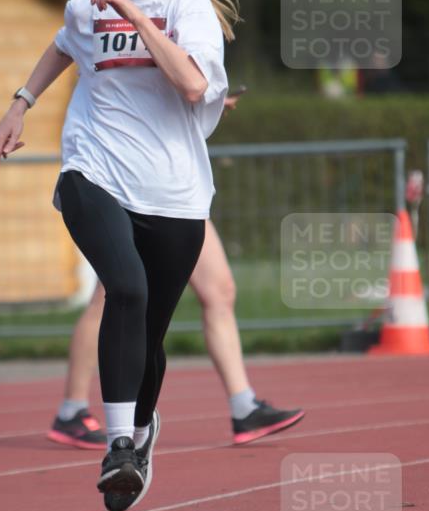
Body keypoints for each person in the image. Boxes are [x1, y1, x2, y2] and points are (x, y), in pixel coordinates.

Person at [0, 0, 238, 511]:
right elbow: (61, 47)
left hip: (175, 192)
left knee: (150, 334)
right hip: (94, 169)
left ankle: (143, 428)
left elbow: (190, 84)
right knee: (123, 289)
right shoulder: (85, 9)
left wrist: (131, 9)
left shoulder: (188, 7)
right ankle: (119, 444)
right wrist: (20, 102)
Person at [48, 91, 304, 451]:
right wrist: (23, 99)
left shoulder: (188, 38)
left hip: (173, 188)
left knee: (218, 290)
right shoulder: (117, 38)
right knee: (114, 296)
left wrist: (204, 98)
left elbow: (180, 85)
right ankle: (73, 409)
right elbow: (89, 62)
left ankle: (242, 404)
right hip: (125, 178)